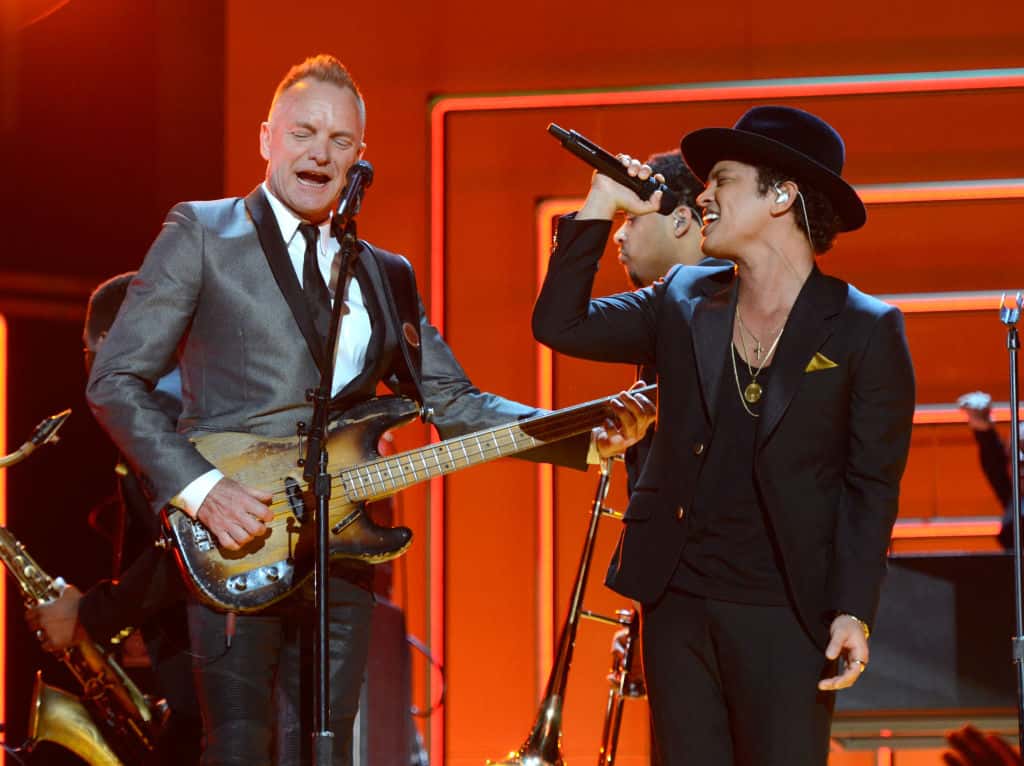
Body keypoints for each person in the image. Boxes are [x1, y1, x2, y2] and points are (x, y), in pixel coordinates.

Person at [85, 54, 652, 766]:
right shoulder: (203, 233)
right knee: (236, 749)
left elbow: (456, 403)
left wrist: (581, 433)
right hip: (237, 536)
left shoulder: (386, 273)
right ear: (267, 137)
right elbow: (116, 380)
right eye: (303, 132)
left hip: (345, 546)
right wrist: (202, 491)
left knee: (326, 753)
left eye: (340, 141)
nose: (319, 153)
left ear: (359, 157)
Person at [533, 105, 916, 765]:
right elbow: (559, 325)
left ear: (781, 195)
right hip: (680, 604)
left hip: (790, 616)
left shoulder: (864, 329)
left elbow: (871, 486)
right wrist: (601, 202)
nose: (703, 195)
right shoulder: (681, 297)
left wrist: (854, 610)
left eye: (723, 180)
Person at [27, 272, 201, 764]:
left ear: (108, 340)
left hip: (215, 691)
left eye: (86, 351)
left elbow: (188, 548)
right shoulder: (182, 401)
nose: (86, 371)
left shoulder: (158, 415)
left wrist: (89, 617)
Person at [958, 390, 1023, 547]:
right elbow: (993, 458)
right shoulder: (1014, 498)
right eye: (1015, 452)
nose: (1020, 459)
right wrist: (982, 424)